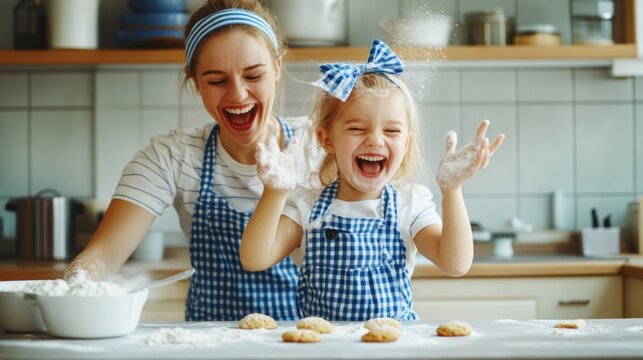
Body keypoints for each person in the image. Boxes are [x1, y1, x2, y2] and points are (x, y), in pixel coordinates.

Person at [63, 0, 313, 321]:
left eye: (253, 75)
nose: (238, 95)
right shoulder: (173, 157)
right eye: (216, 80)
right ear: (194, 81)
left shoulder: (318, 148)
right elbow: (100, 259)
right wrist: (78, 287)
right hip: (206, 346)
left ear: (277, 69)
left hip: (300, 343)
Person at [240, 39, 505, 321]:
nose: (375, 140)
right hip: (325, 348)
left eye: (391, 130)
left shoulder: (409, 205)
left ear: (406, 142)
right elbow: (255, 259)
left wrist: (452, 192)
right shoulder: (307, 207)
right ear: (326, 139)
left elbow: (455, 264)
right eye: (357, 128)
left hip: (394, 347)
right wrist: (275, 192)